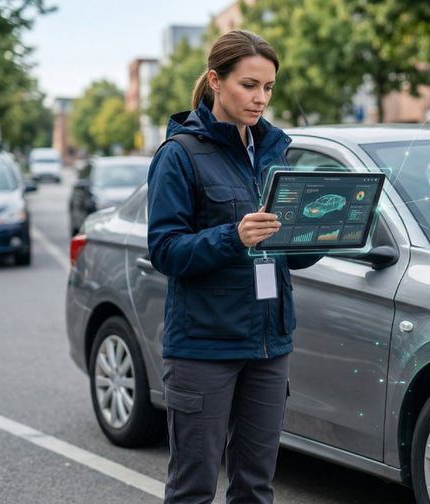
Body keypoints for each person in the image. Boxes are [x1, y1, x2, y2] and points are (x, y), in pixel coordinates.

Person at [147, 30, 320, 504]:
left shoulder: (273, 152)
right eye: (249, 85)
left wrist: (324, 235)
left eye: (268, 88)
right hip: (203, 349)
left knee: (255, 487)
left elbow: (287, 250)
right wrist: (233, 237)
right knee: (193, 488)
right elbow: (165, 250)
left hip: (268, 346)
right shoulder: (179, 155)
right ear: (215, 82)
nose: (260, 98)